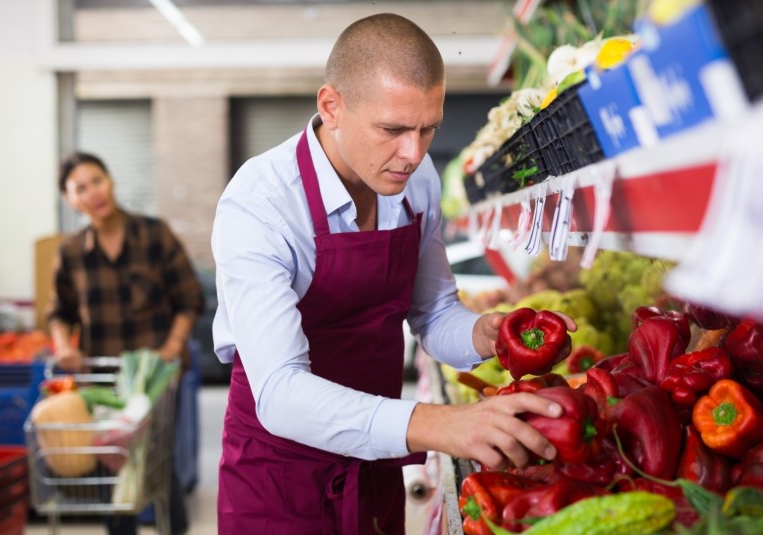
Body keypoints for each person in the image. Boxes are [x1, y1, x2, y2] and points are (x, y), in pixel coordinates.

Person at [211, 12, 577, 535]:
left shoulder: (416, 180)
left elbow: (433, 314)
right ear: (331, 107)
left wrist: (483, 334)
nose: (413, 154)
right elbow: (281, 393)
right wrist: (438, 424)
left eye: (430, 128)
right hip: (277, 474)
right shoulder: (260, 204)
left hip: (376, 454)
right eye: (393, 130)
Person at [48, 151, 203, 535]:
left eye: (96, 181)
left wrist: (172, 347)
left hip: (156, 381)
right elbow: (58, 312)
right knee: (113, 474)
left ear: (111, 181)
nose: (92, 193)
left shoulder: (154, 234)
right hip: (104, 385)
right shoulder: (70, 254)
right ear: (69, 199)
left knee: (159, 466)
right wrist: (64, 346)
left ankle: (173, 526)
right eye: (79, 188)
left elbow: (189, 298)